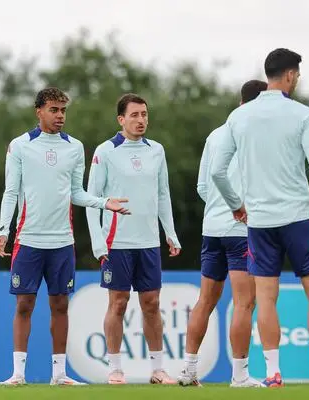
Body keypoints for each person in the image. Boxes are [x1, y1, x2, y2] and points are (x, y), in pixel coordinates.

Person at [210, 48, 309, 387]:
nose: (298, 80)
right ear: (289, 75)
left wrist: (235, 204)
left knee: (266, 298)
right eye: (298, 75)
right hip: (298, 218)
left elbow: (217, 170)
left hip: (259, 222)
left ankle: (273, 374)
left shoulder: (238, 117)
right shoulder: (302, 114)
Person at [0, 87, 130, 385]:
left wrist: (104, 202)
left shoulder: (75, 147)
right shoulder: (20, 146)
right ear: (39, 111)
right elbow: (11, 191)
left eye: (63, 110)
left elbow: (77, 193)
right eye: (54, 110)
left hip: (62, 242)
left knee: (60, 305)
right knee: (24, 305)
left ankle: (59, 374)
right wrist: (4, 228)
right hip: (28, 239)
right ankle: (18, 373)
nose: (60, 116)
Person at [85, 93, 181, 385]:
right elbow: (91, 198)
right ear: (121, 119)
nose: (141, 120)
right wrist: (98, 243)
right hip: (116, 242)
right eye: (135, 115)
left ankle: (158, 369)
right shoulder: (105, 151)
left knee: (151, 303)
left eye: (145, 114)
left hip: (149, 241)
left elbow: (163, 194)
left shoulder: (157, 150)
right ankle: (115, 368)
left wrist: (170, 233)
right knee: (118, 303)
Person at [177, 80, 267, 388]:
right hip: (241, 230)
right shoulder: (255, 134)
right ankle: (240, 375)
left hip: (211, 229)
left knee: (206, 300)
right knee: (244, 302)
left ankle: (189, 370)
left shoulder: (216, 134)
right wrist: (238, 207)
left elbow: (203, 186)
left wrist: (219, 207)